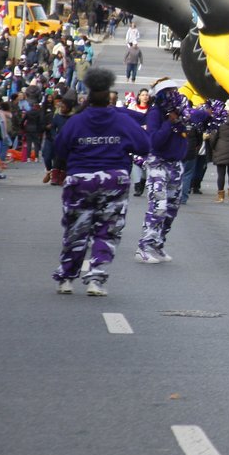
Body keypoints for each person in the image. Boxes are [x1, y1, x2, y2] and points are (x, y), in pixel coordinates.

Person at [51, 68, 150, 296]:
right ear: (109, 99)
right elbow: (144, 145)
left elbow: (60, 148)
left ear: (88, 97)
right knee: (107, 230)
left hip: (80, 179)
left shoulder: (76, 121)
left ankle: (66, 278)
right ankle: (96, 279)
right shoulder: (122, 121)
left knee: (76, 230)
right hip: (114, 180)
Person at [135, 79, 204, 264]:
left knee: (172, 209)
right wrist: (169, 123)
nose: (173, 93)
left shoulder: (179, 112)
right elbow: (155, 141)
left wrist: (206, 113)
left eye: (174, 90)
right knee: (159, 207)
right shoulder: (155, 114)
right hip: (158, 164)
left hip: (175, 165)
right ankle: (144, 247)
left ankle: (158, 244)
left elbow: (196, 118)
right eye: (168, 91)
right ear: (160, 95)